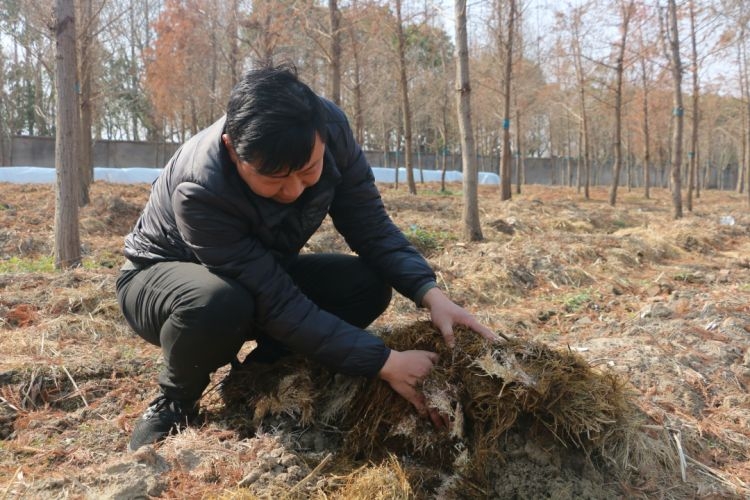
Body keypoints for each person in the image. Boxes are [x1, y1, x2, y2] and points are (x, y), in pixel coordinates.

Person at [117, 65, 497, 452]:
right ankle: (176, 399)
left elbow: (371, 226)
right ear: (233, 150)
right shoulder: (200, 188)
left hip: (255, 272)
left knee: (365, 285)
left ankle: (261, 372)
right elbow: (276, 301)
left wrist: (431, 294)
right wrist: (384, 362)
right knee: (218, 301)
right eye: (276, 178)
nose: (294, 190)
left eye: (307, 171)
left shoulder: (330, 129)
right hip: (161, 282)